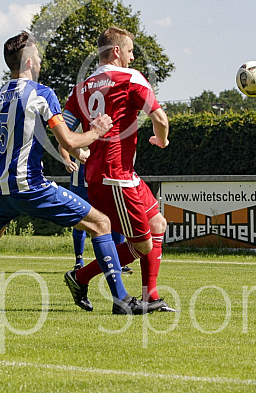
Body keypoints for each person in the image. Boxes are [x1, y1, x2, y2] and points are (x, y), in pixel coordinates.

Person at [0, 31, 151, 315]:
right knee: (101, 224)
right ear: (27, 61)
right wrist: (96, 131)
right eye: (36, 54)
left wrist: (78, 153)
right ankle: (122, 300)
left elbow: (36, 138)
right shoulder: (41, 93)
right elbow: (68, 140)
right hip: (30, 187)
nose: (39, 58)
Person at [63, 26, 174, 312]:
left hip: (115, 175)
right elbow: (160, 119)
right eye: (129, 51)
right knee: (143, 246)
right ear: (116, 51)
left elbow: (62, 128)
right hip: (116, 178)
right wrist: (160, 140)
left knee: (158, 224)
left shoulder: (83, 86)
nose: (132, 57)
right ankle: (81, 277)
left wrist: (78, 150)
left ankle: (151, 296)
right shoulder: (130, 78)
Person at [59, 145, 132, 273]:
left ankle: (119, 261)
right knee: (80, 220)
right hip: (80, 183)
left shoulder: (112, 126)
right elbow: (63, 142)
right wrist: (67, 161)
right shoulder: (77, 125)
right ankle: (79, 261)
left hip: (105, 180)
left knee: (115, 219)